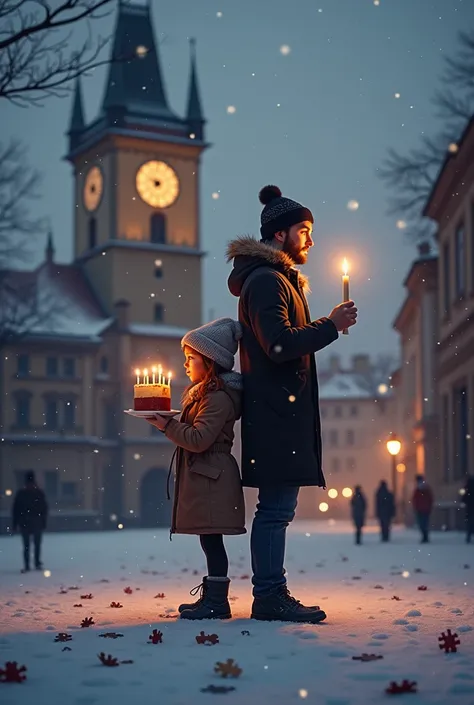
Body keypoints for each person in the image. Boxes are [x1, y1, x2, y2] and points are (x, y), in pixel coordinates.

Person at [226, 184, 358, 624]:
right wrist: (330, 325)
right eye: (304, 230)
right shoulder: (265, 281)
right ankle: (268, 596)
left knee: (278, 509)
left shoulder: (274, 280)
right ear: (279, 235)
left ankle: (271, 593)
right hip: (277, 415)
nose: (311, 240)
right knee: (275, 510)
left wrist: (326, 326)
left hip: (280, 413)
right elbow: (279, 346)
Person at [147, 318, 246, 620]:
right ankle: (214, 598)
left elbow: (200, 439)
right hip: (207, 475)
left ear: (209, 360)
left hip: (211, 477)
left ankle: (217, 602)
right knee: (209, 539)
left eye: (191, 358)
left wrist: (167, 425)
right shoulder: (205, 394)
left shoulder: (217, 398)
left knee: (212, 540)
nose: (186, 364)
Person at [12, 471, 48, 573]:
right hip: (29, 521)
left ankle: (34, 563)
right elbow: (16, 510)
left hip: (31, 521)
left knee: (32, 545)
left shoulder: (25, 494)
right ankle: (31, 564)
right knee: (29, 545)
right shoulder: (35, 493)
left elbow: (44, 509)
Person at [412, 474, 434, 544]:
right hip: (424, 509)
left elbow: (415, 499)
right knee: (424, 523)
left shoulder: (419, 489)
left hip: (421, 509)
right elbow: (430, 499)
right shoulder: (425, 489)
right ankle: (425, 536)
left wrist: (416, 506)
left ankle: (425, 536)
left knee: (422, 523)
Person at [461, 476, 474, 544]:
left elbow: (463, 497)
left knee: (469, 522)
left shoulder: (467, 488)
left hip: (469, 508)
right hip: (471, 507)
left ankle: (469, 536)